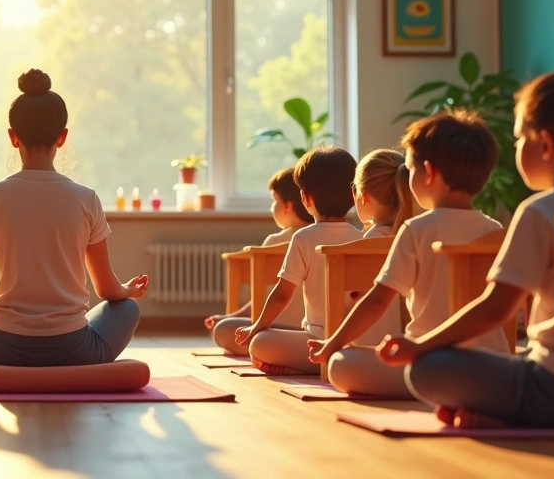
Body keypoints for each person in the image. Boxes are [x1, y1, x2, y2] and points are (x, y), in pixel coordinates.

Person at [378, 48, 554, 429]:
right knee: (520, 360)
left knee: (427, 369)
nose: (516, 148)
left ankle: (512, 418)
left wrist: (419, 346)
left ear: (547, 144)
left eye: (519, 138)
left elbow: (495, 309)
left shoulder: (541, 212)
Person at [0, 69, 148, 366]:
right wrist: (128, 290)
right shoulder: (86, 197)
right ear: (62, 138)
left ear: (13, 138)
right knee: (127, 307)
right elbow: (107, 289)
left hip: (1, 350)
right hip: (76, 351)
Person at [307, 114, 507, 397]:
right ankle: (471, 396)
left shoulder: (417, 229)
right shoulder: (495, 229)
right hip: (489, 368)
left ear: (429, 173)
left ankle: (442, 391)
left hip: (430, 361)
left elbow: (377, 302)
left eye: (410, 168)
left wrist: (332, 343)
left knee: (341, 363)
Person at [236, 147, 362, 375]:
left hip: (315, 340)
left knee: (260, 342)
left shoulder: (303, 238)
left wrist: (256, 326)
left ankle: (311, 364)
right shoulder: (360, 237)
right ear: (354, 194)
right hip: (351, 343)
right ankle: (332, 363)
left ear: (305, 197)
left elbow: (282, 294)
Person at [204, 167, 311, 355]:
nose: (272, 207)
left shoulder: (275, 242)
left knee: (222, 329)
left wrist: (232, 316)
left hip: (274, 329)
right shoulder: (332, 238)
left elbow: (263, 298)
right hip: (316, 332)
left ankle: (270, 351)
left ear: (287, 206)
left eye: (274, 200)